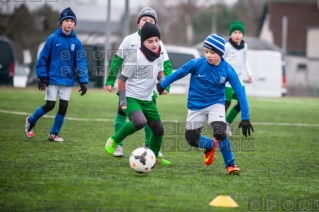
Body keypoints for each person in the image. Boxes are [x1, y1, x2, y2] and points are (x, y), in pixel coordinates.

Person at [157, 34, 254, 175]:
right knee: (191, 139)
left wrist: (245, 117)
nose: (208, 55)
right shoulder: (196, 64)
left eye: (212, 52)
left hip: (216, 103)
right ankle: (210, 145)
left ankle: (231, 164)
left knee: (219, 131)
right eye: (206, 51)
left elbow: (240, 92)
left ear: (221, 53)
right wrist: (163, 84)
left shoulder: (227, 69)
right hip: (196, 106)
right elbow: (180, 73)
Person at [105, 7, 172, 157]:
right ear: (138, 22)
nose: (154, 44)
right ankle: (116, 142)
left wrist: (164, 83)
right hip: (129, 92)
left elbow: (163, 69)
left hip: (147, 95)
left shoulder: (159, 49)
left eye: (151, 20)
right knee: (135, 119)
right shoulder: (131, 44)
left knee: (157, 128)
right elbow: (118, 62)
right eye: (144, 19)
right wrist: (111, 81)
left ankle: (151, 153)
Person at [24, 7, 88, 142]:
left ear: (74, 24)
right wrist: (42, 76)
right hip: (52, 79)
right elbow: (43, 59)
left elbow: (81, 62)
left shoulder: (76, 42)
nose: (69, 23)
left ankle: (54, 134)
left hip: (67, 80)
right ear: (61, 23)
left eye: (72, 21)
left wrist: (83, 81)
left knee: (64, 107)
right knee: (50, 105)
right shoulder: (53, 38)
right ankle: (30, 120)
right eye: (67, 20)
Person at [223, 21, 252, 136]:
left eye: (240, 32)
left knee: (241, 103)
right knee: (226, 103)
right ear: (231, 34)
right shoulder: (227, 46)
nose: (237, 35)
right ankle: (219, 126)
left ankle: (227, 123)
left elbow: (245, 61)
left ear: (243, 35)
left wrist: (249, 73)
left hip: (239, 80)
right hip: (227, 81)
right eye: (235, 32)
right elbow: (221, 60)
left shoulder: (244, 46)